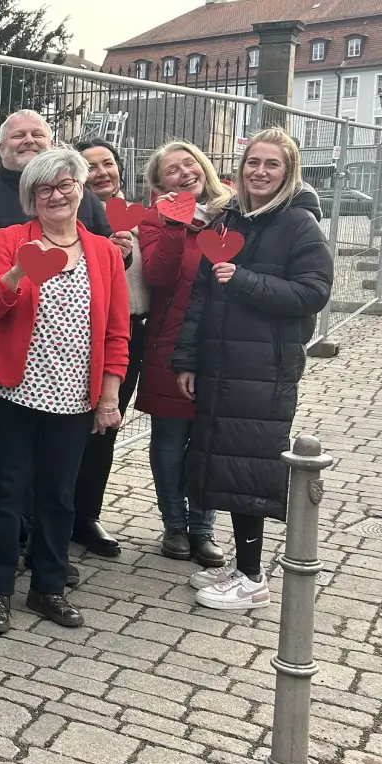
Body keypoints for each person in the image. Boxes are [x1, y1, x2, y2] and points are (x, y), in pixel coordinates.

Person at [0, 147, 129, 635]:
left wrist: (109, 397)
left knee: (59, 495)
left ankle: (48, 586)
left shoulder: (103, 252)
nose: (56, 195)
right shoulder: (10, 239)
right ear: (30, 197)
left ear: (80, 189)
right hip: (9, 392)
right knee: (2, 491)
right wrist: (19, 273)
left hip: (73, 397)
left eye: (65, 185)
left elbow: (116, 331)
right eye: (44, 189)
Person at [173, 129, 332, 611]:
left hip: (264, 369)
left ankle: (252, 577)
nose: (260, 172)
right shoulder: (229, 220)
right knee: (224, 465)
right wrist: (187, 359)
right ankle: (240, 565)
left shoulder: (300, 224)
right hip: (221, 364)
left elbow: (313, 293)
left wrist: (245, 280)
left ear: (289, 171)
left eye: (272, 164)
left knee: (249, 469)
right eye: (253, 163)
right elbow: (201, 296)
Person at [135, 142, 234, 568]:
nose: (185, 172)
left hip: (222, 346)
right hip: (170, 345)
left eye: (189, 162)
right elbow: (158, 275)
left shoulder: (234, 212)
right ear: (161, 184)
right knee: (171, 441)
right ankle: (175, 525)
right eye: (172, 170)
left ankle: (204, 529)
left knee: (209, 441)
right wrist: (175, 224)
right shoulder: (153, 219)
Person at [66, 138, 147, 558]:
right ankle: (53, 515)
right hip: (81, 334)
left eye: (108, 164)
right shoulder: (69, 214)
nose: (101, 173)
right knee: (66, 431)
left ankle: (87, 515)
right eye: (91, 166)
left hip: (129, 331)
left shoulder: (136, 216)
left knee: (105, 427)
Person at [0, 110, 110, 245]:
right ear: (1, 147)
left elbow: (106, 249)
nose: (29, 140)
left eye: (37, 135)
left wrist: (119, 247)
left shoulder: (85, 198)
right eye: (18, 135)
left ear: (51, 145)